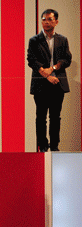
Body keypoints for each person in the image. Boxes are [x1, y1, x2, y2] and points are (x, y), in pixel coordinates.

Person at [27, 9, 72, 152]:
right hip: (40, 84)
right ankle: (42, 146)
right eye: (44, 19)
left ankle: (54, 147)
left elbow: (67, 59)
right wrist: (46, 75)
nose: (46, 22)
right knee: (40, 117)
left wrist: (52, 68)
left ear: (56, 22)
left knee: (55, 117)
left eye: (49, 19)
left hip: (58, 83)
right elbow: (31, 60)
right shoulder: (34, 40)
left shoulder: (62, 39)